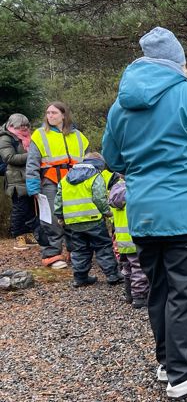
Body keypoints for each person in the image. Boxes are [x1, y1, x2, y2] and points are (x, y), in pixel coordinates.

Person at [102, 27, 187, 400]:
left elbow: (112, 159)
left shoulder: (121, 106)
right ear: (178, 61)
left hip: (143, 213)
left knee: (160, 288)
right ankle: (184, 373)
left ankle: (168, 362)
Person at [26, 101, 90, 269]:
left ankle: (74, 250)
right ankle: (52, 254)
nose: (50, 116)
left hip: (73, 182)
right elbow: (32, 163)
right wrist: (33, 187)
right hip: (50, 181)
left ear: (63, 115)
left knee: (72, 217)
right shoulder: (39, 135)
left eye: (54, 113)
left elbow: (89, 161)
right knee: (52, 219)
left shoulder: (78, 136)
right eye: (48, 113)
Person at [53, 153, 123, 287]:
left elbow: (58, 199)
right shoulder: (95, 176)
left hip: (72, 222)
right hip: (94, 220)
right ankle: (112, 275)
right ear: (99, 164)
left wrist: (60, 216)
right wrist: (107, 212)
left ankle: (80, 277)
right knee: (103, 247)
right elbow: (99, 198)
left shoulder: (66, 177)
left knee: (79, 250)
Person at [109, 178, 150, 308]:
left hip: (122, 240)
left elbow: (111, 218)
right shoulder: (137, 190)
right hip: (136, 238)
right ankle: (140, 297)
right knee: (139, 269)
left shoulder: (115, 192)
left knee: (127, 268)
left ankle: (129, 295)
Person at [0, 113, 39, 250]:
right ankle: (18, 236)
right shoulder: (5, 138)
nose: (24, 128)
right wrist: (32, 156)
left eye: (26, 125)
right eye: (21, 126)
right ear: (12, 125)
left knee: (30, 208)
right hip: (15, 179)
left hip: (28, 176)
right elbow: (9, 157)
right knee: (19, 208)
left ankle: (28, 234)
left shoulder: (28, 136)